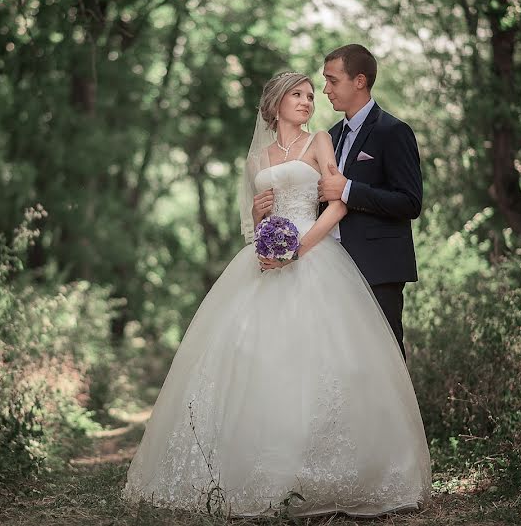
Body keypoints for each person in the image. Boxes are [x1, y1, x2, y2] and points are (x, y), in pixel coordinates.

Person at [122, 71, 431, 518]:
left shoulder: (320, 141)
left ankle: (333, 472)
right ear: (276, 103)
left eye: (311, 94)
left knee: (328, 361)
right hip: (266, 259)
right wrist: (259, 220)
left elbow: (338, 204)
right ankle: (259, 470)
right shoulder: (258, 159)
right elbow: (256, 222)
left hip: (314, 253)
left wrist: (298, 251)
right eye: (298, 95)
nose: (308, 101)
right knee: (256, 358)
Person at [315, 44, 423, 359]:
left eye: (332, 81)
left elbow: (410, 202)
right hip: (332, 270)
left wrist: (348, 189)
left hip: (379, 271)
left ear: (359, 81)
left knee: (384, 360)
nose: (326, 90)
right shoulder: (331, 137)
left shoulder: (394, 132)